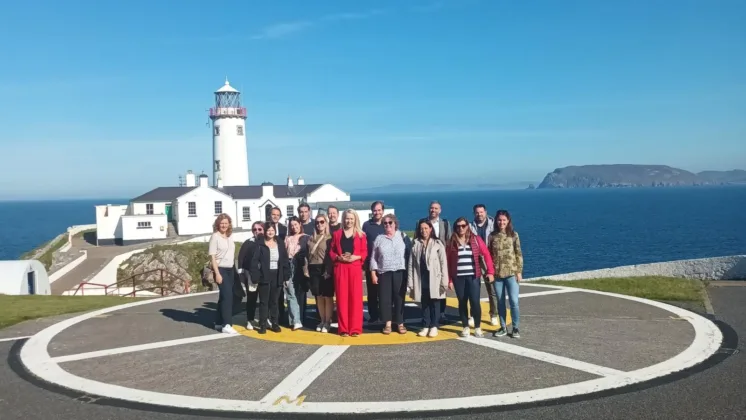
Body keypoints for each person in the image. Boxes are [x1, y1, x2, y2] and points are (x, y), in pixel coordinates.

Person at [446, 216, 494, 338]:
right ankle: (465, 327)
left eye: (463, 225)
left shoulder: (476, 239)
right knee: (462, 302)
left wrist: (490, 271)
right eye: (458, 226)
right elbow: (447, 262)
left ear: (467, 226)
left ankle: (477, 327)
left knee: (475, 302)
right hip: (458, 278)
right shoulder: (451, 242)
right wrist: (449, 280)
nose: (461, 228)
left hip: (473, 276)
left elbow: (486, 255)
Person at [329, 209, 368, 337]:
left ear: (355, 219)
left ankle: (355, 328)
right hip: (341, 268)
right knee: (342, 299)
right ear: (343, 219)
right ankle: (344, 328)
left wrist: (355, 257)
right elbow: (332, 251)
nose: (349, 221)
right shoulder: (337, 234)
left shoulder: (361, 235)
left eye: (351, 218)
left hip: (354, 268)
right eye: (347, 218)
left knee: (355, 299)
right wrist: (338, 258)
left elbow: (364, 252)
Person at [407, 220, 449, 338]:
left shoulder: (438, 244)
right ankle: (425, 325)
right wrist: (410, 282)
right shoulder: (415, 244)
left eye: (426, 228)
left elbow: (443, 263)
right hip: (421, 278)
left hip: (435, 278)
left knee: (435, 302)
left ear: (431, 229)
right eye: (421, 228)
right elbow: (411, 264)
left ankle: (434, 326)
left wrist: (444, 281)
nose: (423, 231)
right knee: (424, 303)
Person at [369, 214, 409, 335]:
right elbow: (373, 258)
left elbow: (409, 254)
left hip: (399, 272)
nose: (387, 225)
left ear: (395, 223)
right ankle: (388, 323)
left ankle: (400, 323)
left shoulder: (403, 236)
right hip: (384, 272)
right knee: (385, 299)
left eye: (390, 222)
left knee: (399, 298)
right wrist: (373, 273)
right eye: (385, 223)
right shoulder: (379, 238)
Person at [487, 209, 524, 338]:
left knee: (514, 301)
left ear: (508, 221)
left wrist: (519, 271)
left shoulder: (514, 235)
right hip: (497, 275)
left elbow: (518, 254)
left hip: (511, 274)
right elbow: (489, 255)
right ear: (496, 221)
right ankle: (503, 327)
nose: (501, 222)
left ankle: (515, 327)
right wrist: (490, 272)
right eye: (499, 220)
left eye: (504, 220)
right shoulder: (492, 236)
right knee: (500, 302)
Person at [250, 223, 291, 334]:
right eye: (268, 230)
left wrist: (286, 275)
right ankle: (262, 324)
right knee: (264, 302)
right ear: (265, 232)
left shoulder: (279, 243)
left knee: (274, 301)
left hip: (277, 275)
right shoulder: (260, 244)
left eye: (272, 230)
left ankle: (275, 323)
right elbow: (254, 261)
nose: (270, 232)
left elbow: (284, 260)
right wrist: (256, 276)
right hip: (264, 275)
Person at [415, 200, 452, 324]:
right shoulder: (421, 222)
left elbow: (449, 240)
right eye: (431, 208)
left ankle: (441, 313)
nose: (433, 210)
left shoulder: (445, 224)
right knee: (426, 290)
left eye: (436, 208)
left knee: (441, 288)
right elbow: (417, 238)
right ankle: (426, 316)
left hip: (440, 259)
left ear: (440, 210)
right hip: (425, 260)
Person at [469, 204, 498, 326]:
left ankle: (494, 314)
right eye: (477, 212)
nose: (479, 214)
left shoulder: (493, 224)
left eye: (481, 212)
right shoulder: (470, 226)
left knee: (491, 289)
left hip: (489, 259)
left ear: (485, 212)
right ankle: (473, 315)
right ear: (474, 213)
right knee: (473, 290)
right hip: (474, 259)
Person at [209, 214, 238, 335]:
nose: (224, 225)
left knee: (223, 297)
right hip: (220, 269)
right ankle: (227, 324)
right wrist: (217, 273)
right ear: (218, 224)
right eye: (222, 223)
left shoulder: (229, 236)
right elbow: (212, 257)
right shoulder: (215, 237)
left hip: (231, 269)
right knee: (228, 297)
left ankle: (219, 322)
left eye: (226, 223)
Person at [307, 213, 333, 333]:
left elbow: (331, 256)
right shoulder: (311, 238)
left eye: (322, 222)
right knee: (318, 296)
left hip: (325, 268)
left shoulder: (330, 238)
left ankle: (328, 321)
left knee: (327, 296)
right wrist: (305, 269)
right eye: (317, 222)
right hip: (313, 268)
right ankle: (322, 320)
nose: (319, 224)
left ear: (326, 223)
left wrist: (329, 270)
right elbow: (307, 256)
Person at [237, 221, 264, 330]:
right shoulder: (248, 243)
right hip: (251, 275)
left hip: (264, 275)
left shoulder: (267, 241)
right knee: (252, 298)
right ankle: (250, 320)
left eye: (259, 229)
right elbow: (241, 258)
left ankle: (264, 319)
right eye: (255, 229)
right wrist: (241, 275)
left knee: (264, 299)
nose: (257, 231)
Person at [361, 201, 385, 324]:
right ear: (372, 212)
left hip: (385, 264)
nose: (377, 212)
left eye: (379, 210)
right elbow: (362, 243)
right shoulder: (366, 225)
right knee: (372, 291)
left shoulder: (387, 224)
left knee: (384, 291)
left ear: (383, 211)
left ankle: (384, 314)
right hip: (371, 263)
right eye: (375, 210)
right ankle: (373, 315)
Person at [284, 216, 310, 330]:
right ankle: (295, 320)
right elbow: (285, 253)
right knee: (290, 293)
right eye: (292, 225)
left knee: (300, 293)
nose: (294, 227)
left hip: (301, 265)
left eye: (296, 224)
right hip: (289, 264)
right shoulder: (287, 238)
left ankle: (301, 319)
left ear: (300, 224)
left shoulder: (306, 238)